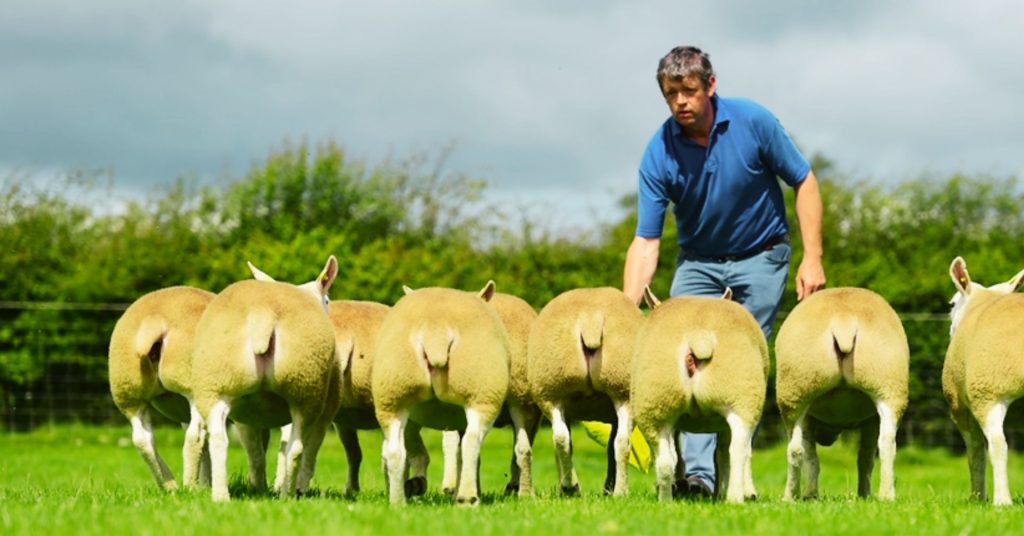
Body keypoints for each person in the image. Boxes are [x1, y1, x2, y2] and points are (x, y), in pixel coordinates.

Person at [622, 46, 826, 498]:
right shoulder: (659, 151)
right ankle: (698, 476)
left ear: (710, 86)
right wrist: (626, 309)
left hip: (762, 256)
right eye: (671, 93)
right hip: (697, 262)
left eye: (689, 90)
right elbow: (647, 240)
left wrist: (812, 257)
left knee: (738, 361)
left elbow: (804, 180)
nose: (681, 101)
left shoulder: (754, 122)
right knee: (687, 360)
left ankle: (736, 473)